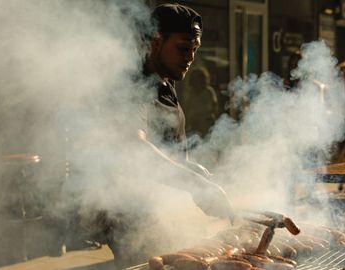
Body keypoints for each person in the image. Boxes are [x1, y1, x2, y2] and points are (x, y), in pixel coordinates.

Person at [77, 4, 234, 268]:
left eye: (194, 50)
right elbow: (134, 147)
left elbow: (166, 148)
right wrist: (196, 185)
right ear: (156, 41)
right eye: (183, 48)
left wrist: (194, 169)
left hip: (159, 209)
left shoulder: (166, 81)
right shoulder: (132, 80)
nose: (191, 57)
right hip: (131, 217)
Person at [184, 67, 219, 137]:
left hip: (206, 124)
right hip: (194, 124)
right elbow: (187, 108)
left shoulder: (209, 91)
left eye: (197, 78)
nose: (196, 80)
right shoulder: (190, 93)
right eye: (194, 78)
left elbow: (214, 107)